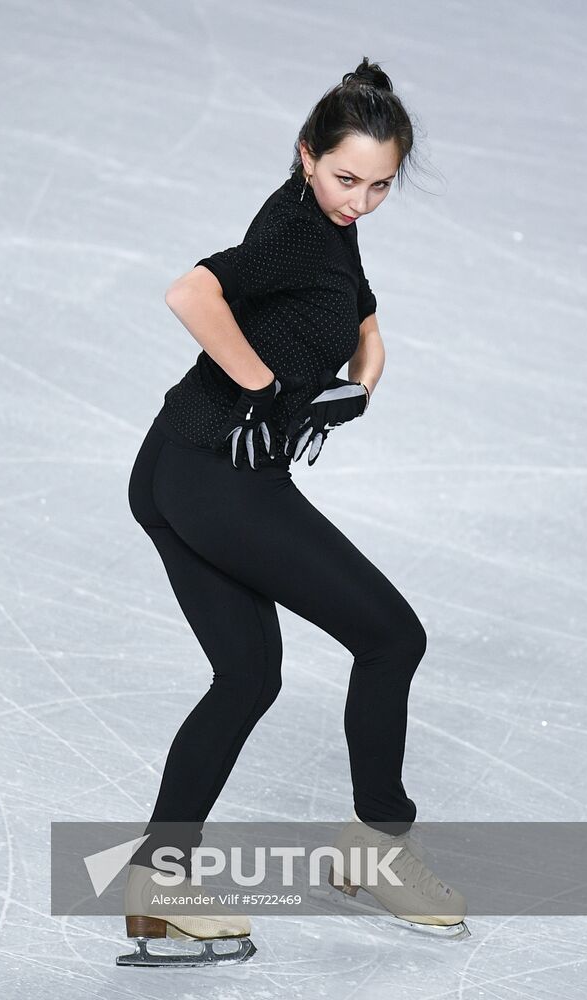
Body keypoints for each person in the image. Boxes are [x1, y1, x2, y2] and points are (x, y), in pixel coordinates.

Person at [118, 56, 467, 969]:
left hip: (170, 468)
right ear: (305, 154)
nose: (360, 200)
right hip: (217, 479)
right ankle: (377, 854)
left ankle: (159, 886)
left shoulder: (326, 224)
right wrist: (268, 385)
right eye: (345, 178)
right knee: (392, 639)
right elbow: (191, 293)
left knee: (246, 676)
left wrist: (354, 385)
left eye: (380, 185)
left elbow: (365, 322)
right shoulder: (296, 236)